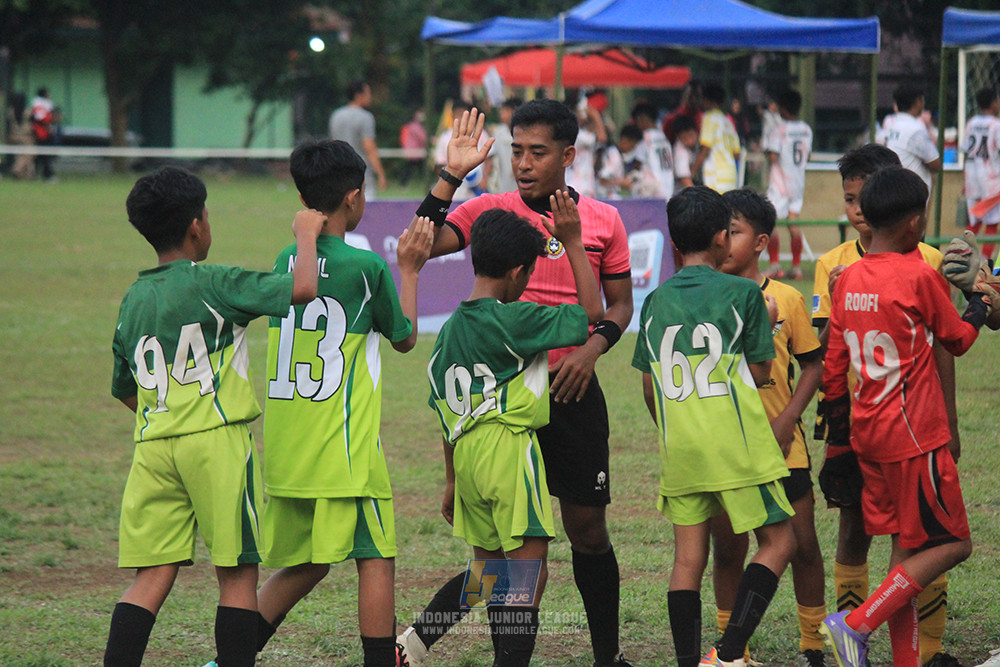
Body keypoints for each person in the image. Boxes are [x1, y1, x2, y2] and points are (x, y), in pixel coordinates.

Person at [398, 101, 634, 667]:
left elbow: (619, 307)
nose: (524, 163)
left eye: (538, 152)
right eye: (517, 151)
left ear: (568, 156)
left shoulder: (602, 220)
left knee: (587, 533)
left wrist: (591, 350)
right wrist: (451, 174)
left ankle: (608, 658)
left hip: (572, 395)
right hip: (502, 406)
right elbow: (421, 244)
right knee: (515, 558)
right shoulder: (490, 212)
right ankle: (423, 643)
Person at [104, 166, 324, 667]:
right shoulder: (216, 282)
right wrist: (306, 233)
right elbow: (304, 287)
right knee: (238, 576)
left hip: (153, 445)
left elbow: (125, 388)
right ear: (197, 226)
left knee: (152, 576)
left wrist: (169, 413)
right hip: (216, 445)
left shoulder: (133, 299)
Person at [238, 140, 432, 667]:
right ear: (354, 197)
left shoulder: (287, 258)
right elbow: (405, 336)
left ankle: (229, 656)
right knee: (376, 557)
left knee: (310, 563)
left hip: (288, 442)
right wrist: (410, 270)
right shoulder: (366, 268)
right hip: (344, 449)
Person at [818, 166, 995, 667]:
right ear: (916, 224)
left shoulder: (847, 277)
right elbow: (958, 340)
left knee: (905, 552)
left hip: (867, 435)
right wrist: (979, 300)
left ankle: (905, 663)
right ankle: (855, 624)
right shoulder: (917, 274)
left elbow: (835, 366)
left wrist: (838, 439)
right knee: (955, 544)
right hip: (914, 438)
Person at [423, 201, 604, 667]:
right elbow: (591, 314)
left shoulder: (448, 331)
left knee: (487, 570)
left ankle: (412, 645)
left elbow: (444, 413)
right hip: (507, 449)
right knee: (528, 574)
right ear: (519, 272)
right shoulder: (515, 319)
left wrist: (450, 480)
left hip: (466, 455)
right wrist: (576, 243)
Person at [632, 185, 795, 667]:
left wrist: (675, 425)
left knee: (687, 560)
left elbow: (648, 386)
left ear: (674, 242)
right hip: (735, 444)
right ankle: (727, 653)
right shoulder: (745, 293)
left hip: (680, 446)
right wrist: (766, 321)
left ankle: (688, 661)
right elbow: (763, 373)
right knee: (779, 540)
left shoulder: (655, 301)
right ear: (724, 237)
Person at [713, 188, 826, 667]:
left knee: (801, 546)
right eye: (719, 232)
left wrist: (786, 421)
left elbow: (814, 367)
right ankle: (732, 649)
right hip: (722, 447)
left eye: (733, 232)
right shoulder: (705, 297)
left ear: (760, 242)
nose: (723, 241)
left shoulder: (786, 298)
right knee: (729, 548)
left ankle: (814, 645)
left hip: (783, 445)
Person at [763, 89, 813, 281]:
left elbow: (774, 155)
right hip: (798, 182)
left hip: (781, 182)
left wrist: (766, 152)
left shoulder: (779, 130)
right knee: (793, 223)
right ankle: (797, 267)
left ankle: (775, 264)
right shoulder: (807, 129)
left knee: (771, 222)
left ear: (782, 109)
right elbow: (807, 155)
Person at [329, 80, 387, 199]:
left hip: (339, 173)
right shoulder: (366, 117)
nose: (370, 97)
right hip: (361, 174)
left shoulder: (336, 116)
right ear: (359, 96)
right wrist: (381, 174)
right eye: (368, 94)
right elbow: (369, 148)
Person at [961, 87, 1000, 261]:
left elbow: (964, 149)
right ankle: (985, 260)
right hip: (990, 179)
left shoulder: (971, 122)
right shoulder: (995, 124)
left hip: (972, 177)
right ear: (993, 103)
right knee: (992, 221)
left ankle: (965, 257)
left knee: (975, 219)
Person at [884, 84, 941, 194]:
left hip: (895, 186)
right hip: (911, 191)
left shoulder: (894, 124)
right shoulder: (916, 129)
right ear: (918, 102)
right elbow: (935, 164)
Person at [434, 100, 493, 201]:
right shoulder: (445, 138)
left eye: (464, 115)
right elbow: (439, 165)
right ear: (452, 116)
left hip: (477, 189)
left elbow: (488, 160)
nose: (461, 119)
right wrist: (446, 184)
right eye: (458, 115)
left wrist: (485, 179)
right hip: (455, 192)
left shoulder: (480, 134)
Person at [692, 83, 741, 193]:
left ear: (706, 100)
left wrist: (693, 171)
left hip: (716, 176)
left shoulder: (709, 118)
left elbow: (705, 148)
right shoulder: (728, 122)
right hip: (730, 175)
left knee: (714, 208)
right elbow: (737, 154)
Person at [631, 101, 674, 199]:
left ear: (642, 119)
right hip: (668, 185)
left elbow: (637, 163)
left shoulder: (645, 139)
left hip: (653, 190)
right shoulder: (664, 136)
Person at [488, 98, 521, 194]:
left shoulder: (525, 132)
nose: (501, 114)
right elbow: (491, 156)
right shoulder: (498, 132)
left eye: (505, 111)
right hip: (504, 184)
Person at [30, 87, 56, 182]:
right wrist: (47, 126)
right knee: (43, 155)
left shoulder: (46, 104)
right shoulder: (39, 105)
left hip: (45, 133)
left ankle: (40, 174)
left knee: (42, 155)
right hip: (41, 133)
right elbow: (38, 118)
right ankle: (46, 175)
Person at [399, 107, 427, 187]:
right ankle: (404, 184)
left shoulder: (414, 125)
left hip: (414, 152)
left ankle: (404, 184)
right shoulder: (415, 126)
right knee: (412, 168)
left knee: (411, 168)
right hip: (414, 152)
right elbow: (422, 137)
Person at [672, 115, 699, 192]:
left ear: (696, 131)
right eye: (684, 138)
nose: (689, 140)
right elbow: (685, 180)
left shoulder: (699, 146)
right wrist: (698, 197)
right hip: (682, 194)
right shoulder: (680, 151)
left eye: (691, 135)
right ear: (678, 137)